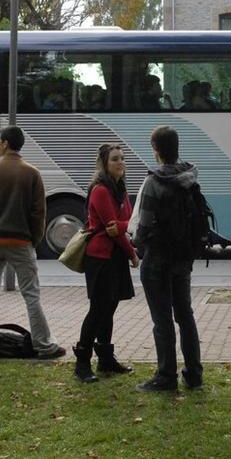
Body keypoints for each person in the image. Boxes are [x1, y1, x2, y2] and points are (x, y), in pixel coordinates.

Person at [0, 126, 66, 360]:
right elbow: (38, 212)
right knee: (31, 293)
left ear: (4, 143)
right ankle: (44, 344)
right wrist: (34, 240)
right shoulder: (31, 173)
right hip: (21, 242)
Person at [131, 125, 204, 392]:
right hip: (183, 259)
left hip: (158, 260)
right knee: (185, 315)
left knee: (162, 320)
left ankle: (166, 376)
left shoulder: (154, 182)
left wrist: (136, 247)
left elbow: (145, 225)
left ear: (156, 150)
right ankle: (194, 374)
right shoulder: (190, 177)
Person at [74, 143, 140, 383]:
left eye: (122, 158)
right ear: (104, 163)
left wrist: (123, 228)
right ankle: (82, 363)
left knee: (109, 308)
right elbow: (113, 228)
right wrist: (132, 253)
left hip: (115, 256)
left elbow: (126, 224)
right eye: (115, 159)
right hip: (100, 257)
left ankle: (105, 359)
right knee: (98, 310)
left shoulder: (120, 189)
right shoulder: (101, 190)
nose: (120, 162)